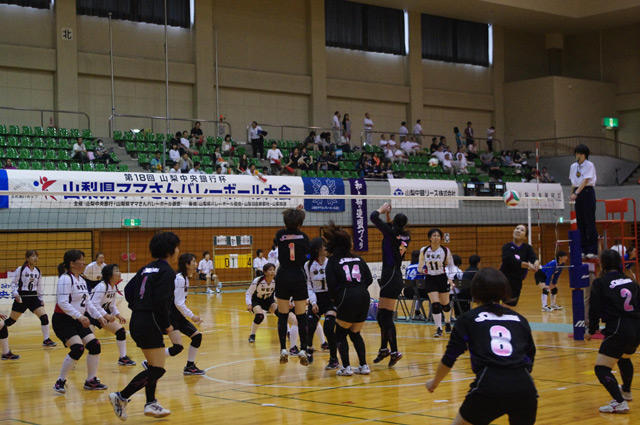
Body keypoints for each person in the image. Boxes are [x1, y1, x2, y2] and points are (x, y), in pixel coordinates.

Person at [425, 268, 538, 425]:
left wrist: (434, 382)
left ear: (475, 290)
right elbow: (530, 354)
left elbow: (450, 357)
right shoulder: (520, 319)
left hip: (490, 385)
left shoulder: (468, 319)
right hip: (525, 387)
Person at [110, 232, 181, 420]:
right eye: (177, 247)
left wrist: (138, 307)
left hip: (138, 319)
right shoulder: (167, 272)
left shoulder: (146, 268)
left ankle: (151, 403)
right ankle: (121, 396)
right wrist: (168, 327)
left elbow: (128, 290)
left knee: (153, 366)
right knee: (157, 370)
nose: (178, 251)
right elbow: (161, 303)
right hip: (150, 322)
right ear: (170, 250)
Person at [585, 249, 640, 414]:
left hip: (618, 329)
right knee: (624, 357)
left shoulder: (600, 283)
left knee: (601, 368)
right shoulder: (631, 281)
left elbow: (594, 309)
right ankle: (626, 392)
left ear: (602, 264)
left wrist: (591, 330)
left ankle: (619, 402)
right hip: (636, 328)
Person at [53, 250, 108, 393]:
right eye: (81, 260)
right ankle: (60, 381)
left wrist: (99, 316)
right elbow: (62, 303)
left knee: (95, 346)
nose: (84, 263)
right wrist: (80, 316)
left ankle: (90, 380)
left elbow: (88, 303)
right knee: (78, 348)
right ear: (72, 263)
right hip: (63, 320)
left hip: (78, 320)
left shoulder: (82, 280)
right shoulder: (65, 279)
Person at [324, 222, 373, 376]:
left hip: (347, 296)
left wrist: (337, 300)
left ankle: (346, 367)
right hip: (364, 296)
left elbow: (331, 285)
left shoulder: (332, 261)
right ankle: (364, 366)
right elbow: (369, 279)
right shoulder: (358, 258)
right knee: (355, 333)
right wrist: (358, 289)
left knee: (340, 334)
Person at [370, 202, 410, 367]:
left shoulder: (390, 232)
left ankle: (394, 351)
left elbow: (373, 217)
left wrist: (381, 209)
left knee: (385, 317)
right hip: (395, 276)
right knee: (382, 316)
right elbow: (393, 231)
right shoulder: (405, 235)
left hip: (390, 277)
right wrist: (388, 216)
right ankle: (384, 349)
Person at [274, 206, 311, 365]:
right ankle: (303, 349)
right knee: (301, 317)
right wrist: (296, 217)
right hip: (298, 277)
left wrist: (293, 215)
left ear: (285, 221)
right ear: (300, 223)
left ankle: (283, 348)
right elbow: (307, 254)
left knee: (283, 316)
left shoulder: (279, 235)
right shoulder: (304, 237)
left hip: (283, 276)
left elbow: (287, 233)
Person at [5, 250, 56, 347]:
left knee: (44, 317)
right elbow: (13, 283)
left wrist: (41, 298)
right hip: (22, 297)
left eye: (36, 256)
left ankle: (46, 340)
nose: (35, 258)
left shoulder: (38, 271)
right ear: (27, 258)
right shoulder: (21, 269)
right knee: (11, 321)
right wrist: (15, 294)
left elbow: (39, 286)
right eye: (32, 256)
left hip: (33, 297)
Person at [88, 264, 136, 366]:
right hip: (90, 315)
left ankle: (123, 358)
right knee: (88, 341)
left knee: (121, 331)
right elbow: (93, 304)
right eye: (116, 271)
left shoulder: (113, 287)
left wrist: (118, 315)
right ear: (110, 275)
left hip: (102, 315)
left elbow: (112, 305)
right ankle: (73, 358)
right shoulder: (102, 286)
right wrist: (106, 315)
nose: (120, 273)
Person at [305, 238, 338, 369]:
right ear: (317, 249)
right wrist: (313, 302)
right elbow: (309, 285)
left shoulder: (332, 263)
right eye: (323, 246)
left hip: (330, 298)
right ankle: (309, 348)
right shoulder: (308, 265)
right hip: (316, 298)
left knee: (329, 328)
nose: (326, 248)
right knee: (310, 325)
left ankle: (334, 359)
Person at [170, 253, 205, 375]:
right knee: (177, 347)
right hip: (171, 316)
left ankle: (190, 366)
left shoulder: (185, 278)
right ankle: (150, 362)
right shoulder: (179, 279)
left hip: (177, 315)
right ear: (187, 264)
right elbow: (178, 303)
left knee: (197, 337)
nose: (196, 264)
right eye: (194, 261)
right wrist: (192, 316)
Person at [418, 229, 454, 337]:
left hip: (442, 278)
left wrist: (450, 278)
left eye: (438, 235)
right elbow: (420, 266)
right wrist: (423, 270)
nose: (436, 237)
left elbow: (451, 265)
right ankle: (438, 328)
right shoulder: (424, 250)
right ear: (429, 238)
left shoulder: (445, 250)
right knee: (435, 304)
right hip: (430, 278)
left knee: (445, 305)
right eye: (434, 235)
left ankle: (447, 322)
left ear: (441, 238)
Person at [499, 224, 539, 306]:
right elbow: (509, 260)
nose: (518, 231)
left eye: (522, 230)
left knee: (510, 305)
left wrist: (536, 263)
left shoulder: (527, 248)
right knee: (501, 305)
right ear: (513, 231)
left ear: (525, 237)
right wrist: (528, 265)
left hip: (517, 282)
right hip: (503, 280)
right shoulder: (507, 246)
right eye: (517, 228)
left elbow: (534, 258)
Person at [570, 144, 598, 258]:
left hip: (587, 192)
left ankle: (592, 250)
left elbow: (586, 180)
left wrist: (576, 193)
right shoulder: (573, 166)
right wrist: (572, 194)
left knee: (589, 221)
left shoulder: (589, 165)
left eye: (580, 154)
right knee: (580, 222)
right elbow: (573, 182)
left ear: (584, 155)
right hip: (577, 193)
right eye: (576, 153)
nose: (577, 155)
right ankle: (583, 249)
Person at [246, 263, 278, 343]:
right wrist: (249, 304)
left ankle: (288, 332)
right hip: (257, 300)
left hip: (269, 300)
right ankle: (252, 335)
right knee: (260, 316)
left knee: (280, 313)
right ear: (265, 272)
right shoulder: (258, 280)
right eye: (270, 270)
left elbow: (279, 293)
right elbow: (248, 293)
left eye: (273, 270)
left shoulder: (276, 280)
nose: (272, 272)